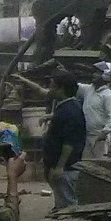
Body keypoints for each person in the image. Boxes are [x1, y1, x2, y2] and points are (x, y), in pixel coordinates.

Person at [43, 72, 86, 213]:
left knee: (68, 207)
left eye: (52, 86)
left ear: (61, 88)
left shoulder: (69, 110)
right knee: (62, 203)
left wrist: (60, 166)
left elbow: (69, 143)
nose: (50, 89)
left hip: (66, 167)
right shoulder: (65, 107)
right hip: (62, 166)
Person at [81, 63, 111, 161]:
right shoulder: (88, 89)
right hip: (87, 136)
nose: (94, 75)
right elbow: (75, 86)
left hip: (100, 137)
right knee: (86, 163)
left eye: (98, 73)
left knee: (100, 163)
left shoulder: (107, 95)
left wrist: (104, 133)